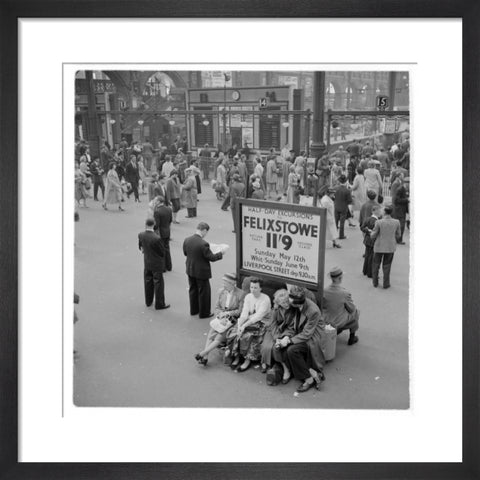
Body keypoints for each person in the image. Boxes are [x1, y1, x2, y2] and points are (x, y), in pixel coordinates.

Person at [271, 286, 326, 393]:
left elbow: (306, 334)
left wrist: (289, 341)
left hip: (312, 337)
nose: (288, 303)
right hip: (299, 333)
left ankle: (308, 379)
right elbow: (291, 325)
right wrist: (285, 337)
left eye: (290, 302)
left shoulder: (313, 311)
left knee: (291, 350)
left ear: (298, 304)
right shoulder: (295, 304)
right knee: (285, 349)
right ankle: (312, 373)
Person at [194, 273, 245, 366]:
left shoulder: (240, 294)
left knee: (219, 337)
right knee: (211, 334)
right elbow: (217, 307)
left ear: (232, 283)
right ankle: (205, 357)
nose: (223, 285)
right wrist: (221, 315)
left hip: (233, 320)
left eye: (225, 283)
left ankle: (202, 354)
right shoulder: (221, 291)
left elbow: (239, 311)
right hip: (221, 317)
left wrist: (227, 314)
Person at [226, 277, 271, 372]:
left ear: (260, 288)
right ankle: (237, 357)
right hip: (248, 320)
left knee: (248, 335)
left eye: (255, 287)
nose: (253, 290)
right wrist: (240, 324)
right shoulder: (248, 297)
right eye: (251, 287)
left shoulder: (265, 299)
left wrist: (244, 326)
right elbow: (244, 312)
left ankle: (247, 360)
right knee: (235, 332)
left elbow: (258, 316)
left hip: (261, 322)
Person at [183, 222, 227, 318]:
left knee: (193, 289)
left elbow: (185, 253)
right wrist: (221, 253)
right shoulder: (204, 244)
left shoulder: (187, 240)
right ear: (204, 230)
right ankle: (204, 313)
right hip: (201, 272)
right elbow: (211, 257)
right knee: (204, 292)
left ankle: (194, 310)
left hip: (190, 269)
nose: (206, 234)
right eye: (206, 232)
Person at [260, 289, 294, 377]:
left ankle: (285, 368)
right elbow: (273, 324)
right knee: (266, 346)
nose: (286, 304)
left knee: (277, 347)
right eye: (283, 303)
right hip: (274, 331)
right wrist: (276, 337)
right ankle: (265, 362)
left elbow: (292, 327)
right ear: (278, 303)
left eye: (287, 301)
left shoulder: (293, 310)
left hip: (286, 332)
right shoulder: (276, 309)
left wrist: (284, 336)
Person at [323, 266, 360, 345]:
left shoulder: (324, 291)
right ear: (340, 278)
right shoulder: (344, 293)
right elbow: (351, 309)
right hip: (339, 321)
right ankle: (352, 337)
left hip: (326, 319)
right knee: (356, 312)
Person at [138, 218, 169, 310]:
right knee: (158, 283)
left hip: (147, 262)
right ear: (154, 224)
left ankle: (148, 301)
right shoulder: (157, 238)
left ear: (145, 224)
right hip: (156, 264)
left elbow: (141, 247)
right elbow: (162, 252)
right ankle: (159, 304)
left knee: (147, 281)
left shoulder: (141, 235)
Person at [370, 205, 402, 289]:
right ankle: (386, 283)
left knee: (376, 265)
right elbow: (398, 235)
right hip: (390, 247)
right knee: (387, 265)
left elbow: (373, 235)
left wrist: (370, 233)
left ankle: (375, 282)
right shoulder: (396, 222)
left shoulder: (379, 222)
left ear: (384, 212)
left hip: (379, 246)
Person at [153, 196, 173, 272]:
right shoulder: (169, 209)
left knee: (161, 250)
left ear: (159, 202)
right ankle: (169, 266)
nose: (154, 202)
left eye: (155, 200)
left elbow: (156, 225)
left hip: (160, 233)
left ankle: (163, 267)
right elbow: (170, 220)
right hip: (167, 231)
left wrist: (152, 228)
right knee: (167, 249)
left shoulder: (157, 211)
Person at [361, 204, 381, 278]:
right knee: (372, 257)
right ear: (374, 211)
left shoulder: (367, 219)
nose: (380, 212)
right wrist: (371, 231)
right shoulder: (377, 221)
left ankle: (365, 270)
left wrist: (367, 231)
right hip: (373, 240)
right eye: (379, 210)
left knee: (367, 255)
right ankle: (370, 273)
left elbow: (362, 227)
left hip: (367, 240)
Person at [333, 175, 352, 240]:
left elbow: (332, 197)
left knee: (335, 221)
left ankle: (334, 235)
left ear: (339, 181)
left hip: (336, 206)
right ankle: (341, 235)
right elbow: (350, 201)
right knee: (342, 222)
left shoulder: (336, 188)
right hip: (344, 207)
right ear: (346, 181)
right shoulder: (347, 191)